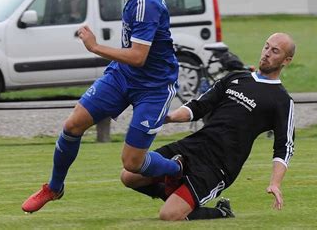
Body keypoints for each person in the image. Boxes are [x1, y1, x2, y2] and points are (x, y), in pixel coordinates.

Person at [22, 0, 180, 213]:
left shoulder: (147, 4)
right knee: (73, 125)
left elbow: (139, 57)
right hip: (123, 77)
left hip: (154, 86)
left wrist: (95, 47)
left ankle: (178, 168)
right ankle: (54, 188)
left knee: (132, 164)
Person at [121, 32, 296, 221]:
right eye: (266, 46)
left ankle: (221, 212)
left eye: (275, 51)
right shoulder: (236, 77)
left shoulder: (282, 100)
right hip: (193, 147)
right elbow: (199, 106)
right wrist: (169, 117)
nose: (267, 53)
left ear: (286, 60)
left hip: (218, 166)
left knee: (169, 215)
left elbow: (284, 146)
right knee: (129, 176)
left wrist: (275, 183)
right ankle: (177, 187)